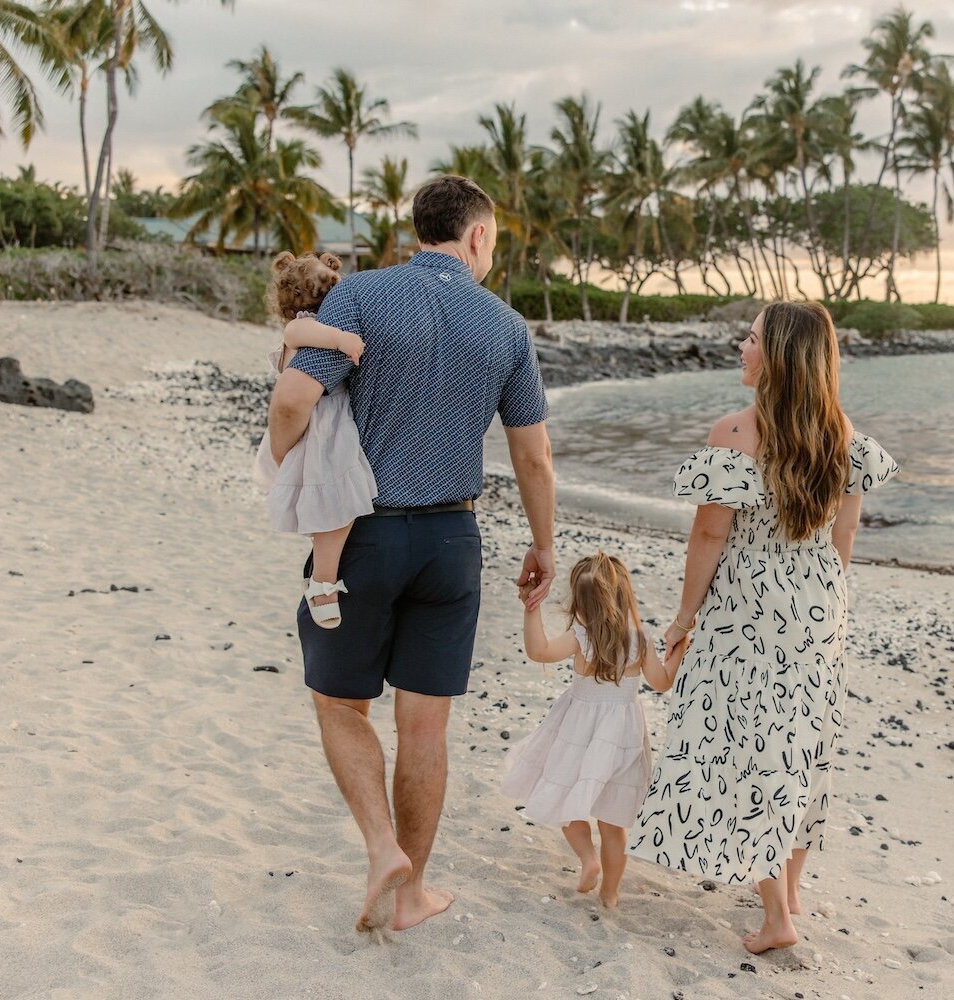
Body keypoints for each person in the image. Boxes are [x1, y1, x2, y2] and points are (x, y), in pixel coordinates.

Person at [267, 175, 556, 935]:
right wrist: (544, 542)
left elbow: (296, 398)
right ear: (478, 236)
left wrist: (280, 466)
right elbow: (532, 459)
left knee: (339, 703)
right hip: (452, 541)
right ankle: (410, 896)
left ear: (418, 226)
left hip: (363, 535)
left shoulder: (360, 297)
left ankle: (379, 849)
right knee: (425, 728)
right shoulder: (506, 326)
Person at [629, 301, 898, 954]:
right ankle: (793, 887)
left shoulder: (736, 432)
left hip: (749, 601)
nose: (740, 350)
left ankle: (778, 915)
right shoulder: (844, 434)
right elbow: (846, 533)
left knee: (752, 750)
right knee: (803, 742)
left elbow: (710, 533)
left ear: (777, 356)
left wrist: (685, 615)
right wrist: (821, 601)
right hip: (818, 600)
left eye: (749, 340)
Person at [500, 552, 678, 909]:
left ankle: (588, 859)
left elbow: (539, 651)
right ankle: (610, 893)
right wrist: (679, 649)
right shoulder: (639, 639)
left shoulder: (580, 636)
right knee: (613, 824)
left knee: (568, 803)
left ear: (580, 601)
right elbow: (661, 683)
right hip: (622, 738)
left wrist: (531, 607)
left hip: (577, 731)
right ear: (624, 595)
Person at [252, 250, 376, 629]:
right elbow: (296, 333)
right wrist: (341, 339)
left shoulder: (315, 324)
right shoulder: (304, 327)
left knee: (332, 509)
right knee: (337, 507)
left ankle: (322, 577)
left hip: (325, 423)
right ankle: (323, 583)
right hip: (321, 427)